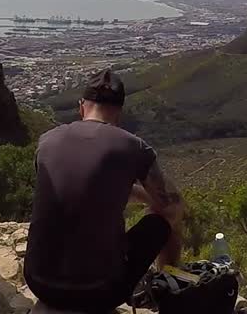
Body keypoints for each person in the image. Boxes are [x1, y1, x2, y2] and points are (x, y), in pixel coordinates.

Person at [24, 68, 185, 313]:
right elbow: (171, 204)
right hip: (99, 291)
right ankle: (169, 289)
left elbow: (78, 189)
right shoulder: (134, 147)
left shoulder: (47, 141)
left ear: (81, 106)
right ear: (119, 112)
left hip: (38, 281)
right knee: (167, 217)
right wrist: (149, 200)